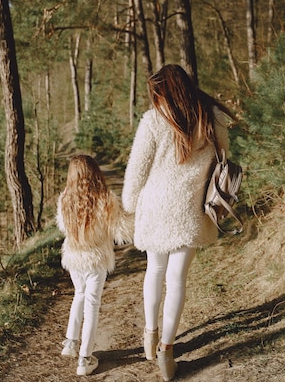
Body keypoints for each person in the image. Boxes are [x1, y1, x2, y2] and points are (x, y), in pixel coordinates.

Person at [121, 64, 231, 381]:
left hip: (155, 210)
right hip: (191, 211)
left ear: (162, 91)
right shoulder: (212, 117)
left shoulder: (154, 120)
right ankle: (166, 353)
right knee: (178, 280)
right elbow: (223, 163)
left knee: (155, 272)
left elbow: (136, 171)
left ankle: (150, 335)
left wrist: (129, 205)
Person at [56, 154, 133, 376]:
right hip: (96, 258)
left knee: (79, 294)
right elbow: (122, 231)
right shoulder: (106, 199)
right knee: (92, 304)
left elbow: (63, 228)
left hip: (74, 258)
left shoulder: (65, 199)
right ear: (95, 172)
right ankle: (85, 358)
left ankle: (70, 343)